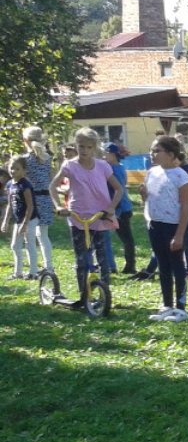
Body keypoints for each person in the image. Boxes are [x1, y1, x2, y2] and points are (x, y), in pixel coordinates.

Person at [48, 129, 123, 308]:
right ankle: (84, 296)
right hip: (78, 217)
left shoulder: (103, 166)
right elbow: (52, 186)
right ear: (76, 145)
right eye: (81, 146)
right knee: (82, 259)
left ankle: (104, 296)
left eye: (89, 147)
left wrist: (111, 207)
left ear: (94, 148)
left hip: (100, 217)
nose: (84, 150)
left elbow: (119, 189)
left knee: (103, 259)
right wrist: (59, 206)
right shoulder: (69, 165)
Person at [140, 136, 188, 322]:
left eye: (157, 151)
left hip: (173, 226)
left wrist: (179, 235)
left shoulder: (181, 175)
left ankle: (181, 307)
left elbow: (186, 206)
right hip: (155, 224)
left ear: (170, 154)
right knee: (162, 265)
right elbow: (149, 199)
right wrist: (143, 195)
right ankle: (167, 304)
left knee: (177, 265)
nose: (152, 154)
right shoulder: (151, 172)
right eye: (151, 150)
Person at [21, 126, 55, 274]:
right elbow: (51, 178)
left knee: (29, 236)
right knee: (43, 235)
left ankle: (33, 268)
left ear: (25, 140)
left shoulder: (24, 160)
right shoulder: (47, 158)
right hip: (46, 198)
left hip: (31, 199)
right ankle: (49, 266)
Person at [103, 143, 137, 274]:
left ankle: (130, 266)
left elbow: (117, 189)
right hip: (120, 207)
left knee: (127, 239)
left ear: (113, 154)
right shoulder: (119, 167)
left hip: (121, 208)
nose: (104, 156)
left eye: (106, 153)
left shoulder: (113, 170)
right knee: (125, 238)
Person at [2, 157, 36, 278]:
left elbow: (30, 206)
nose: (13, 171)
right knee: (15, 246)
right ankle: (18, 273)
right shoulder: (10, 184)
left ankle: (33, 273)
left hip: (30, 219)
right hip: (18, 220)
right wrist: (5, 221)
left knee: (29, 244)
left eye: (17, 169)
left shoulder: (25, 185)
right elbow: (10, 205)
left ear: (24, 171)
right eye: (12, 168)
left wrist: (25, 224)